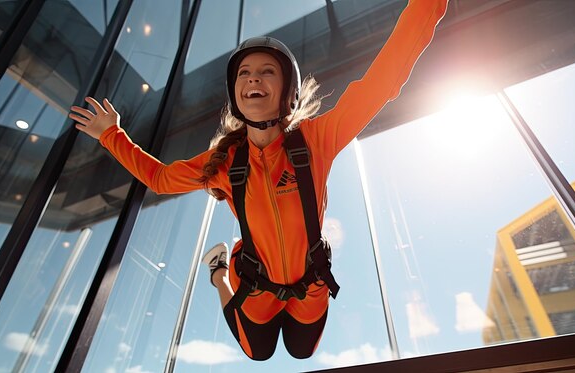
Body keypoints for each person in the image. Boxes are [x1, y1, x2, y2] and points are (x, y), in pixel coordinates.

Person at [69, 0, 448, 361]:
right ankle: (219, 272)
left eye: (268, 71)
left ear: (288, 93)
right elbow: (161, 179)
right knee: (258, 352)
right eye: (245, 74)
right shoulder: (226, 162)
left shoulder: (317, 140)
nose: (254, 78)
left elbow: (384, 80)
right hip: (255, 281)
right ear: (236, 94)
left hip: (310, 281)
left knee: (302, 351)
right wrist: (111, 135)